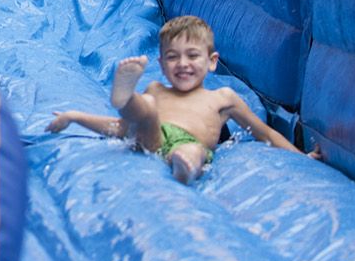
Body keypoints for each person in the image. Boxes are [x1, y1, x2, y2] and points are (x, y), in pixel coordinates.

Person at [46, 14, 313, 183]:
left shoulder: (223, 98)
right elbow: (119, 128)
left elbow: (266, 134)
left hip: (187, 143)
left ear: (212, 61)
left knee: (192, 151)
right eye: (172, 57)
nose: (182, 64)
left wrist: (302, 158)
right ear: (162, 65)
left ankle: (184, 168)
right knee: (147, 109)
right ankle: (125, 98)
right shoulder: (157, 90)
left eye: (192, 55)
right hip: (152, 136)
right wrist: (75, 117)